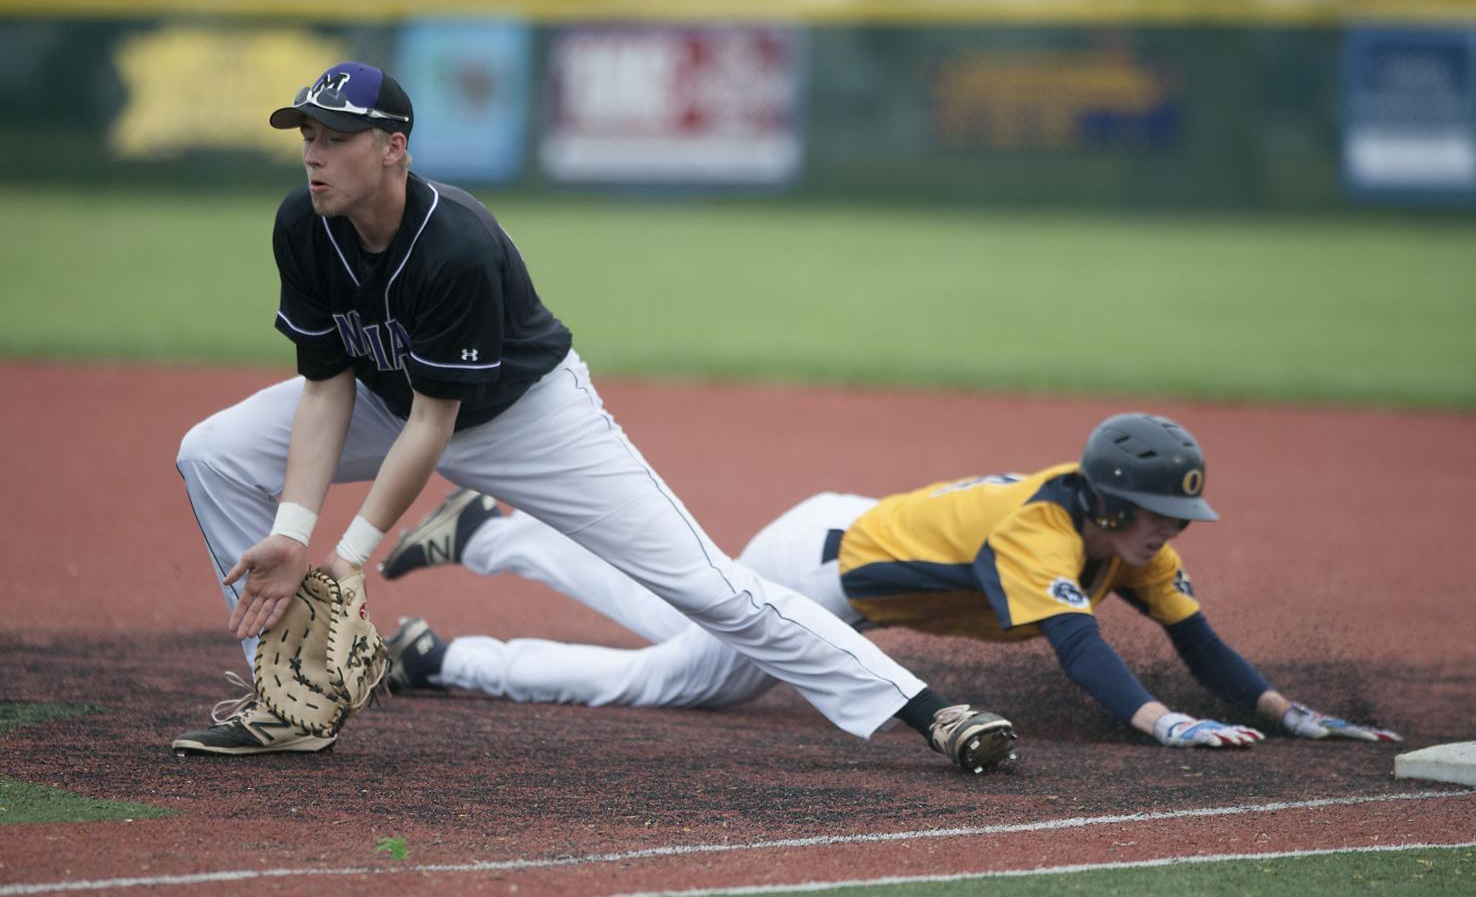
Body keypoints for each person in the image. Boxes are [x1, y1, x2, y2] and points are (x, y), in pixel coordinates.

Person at [169, 61, 1015, 774]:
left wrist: (349, 558)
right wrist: (294, 528)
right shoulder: (303, 226)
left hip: (527, 420)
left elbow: (438, 421)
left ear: (394, 148)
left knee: (705, 587)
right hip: (389, 402)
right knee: (211, 452)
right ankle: (289, 695)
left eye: (336, 137)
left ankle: (925, 707)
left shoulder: (454, 241)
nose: (314, 156)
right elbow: (327, 386)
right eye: (308, 137)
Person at [379, 413, 1402, 750]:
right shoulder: (1040, 535)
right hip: (817, 569)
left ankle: (489, 534)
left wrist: (1284, 711)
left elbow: (1196, 639)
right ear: (1110, 504)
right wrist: (1164, 726)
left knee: (672, 608)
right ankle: (437, 655)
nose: (1176, 533)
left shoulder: (1125, 542)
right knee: (670, 676)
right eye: (1165, 515)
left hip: (832, 535)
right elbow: (1082, 651)